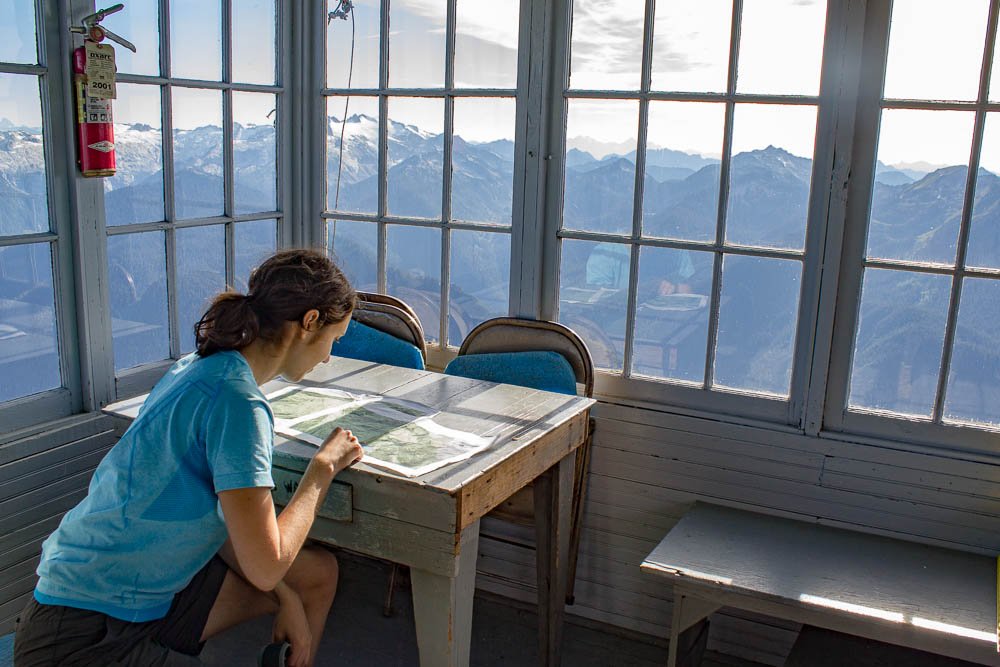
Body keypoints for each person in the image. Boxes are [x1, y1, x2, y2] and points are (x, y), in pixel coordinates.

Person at [14, 249, 363, 667]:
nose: (328, 357)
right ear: (309, 323)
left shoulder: (199, 367)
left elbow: (226, 525)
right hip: (82, 635)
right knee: (284, 572)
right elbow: (267, 567)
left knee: (315, 576)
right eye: (333, 340)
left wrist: (288, 598)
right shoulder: (238, 404)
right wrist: (320, 471)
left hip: (136, 598)